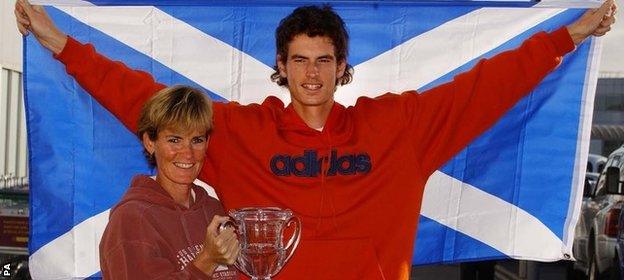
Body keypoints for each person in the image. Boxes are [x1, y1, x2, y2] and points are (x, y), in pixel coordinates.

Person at [15, 0, 617, 279]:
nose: (311, 73)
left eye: (323, 60)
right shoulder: (239, 133)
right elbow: (146, 100)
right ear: (281, 64)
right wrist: (63, 45)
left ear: (341, 67)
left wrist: (569, 35)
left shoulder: (398, 127)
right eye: (299, 59)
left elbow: (488, 85)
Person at [98, 85, 240, 279]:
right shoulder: (132, 220)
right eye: (174, 140)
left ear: (207, 143)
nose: (188, 153)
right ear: (150, 142)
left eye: (197, 140)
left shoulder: (213, 210)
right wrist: (207, 260)